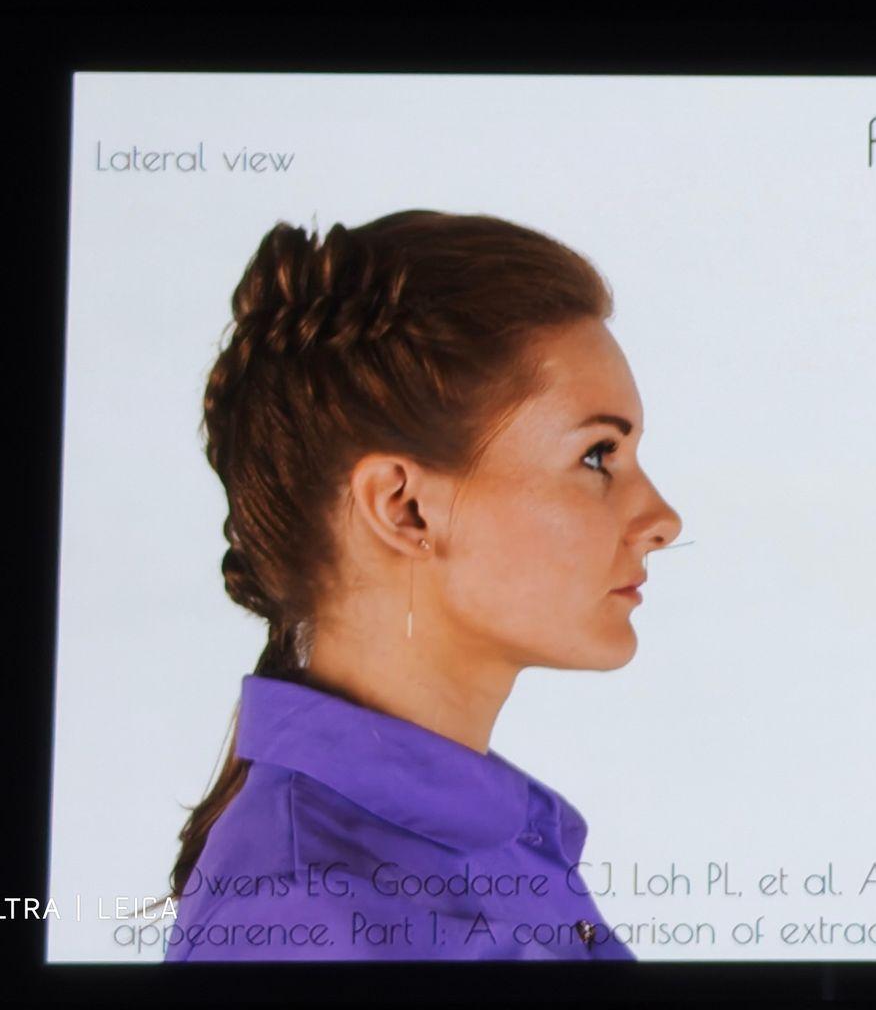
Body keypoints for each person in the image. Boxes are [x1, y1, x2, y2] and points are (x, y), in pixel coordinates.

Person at [161, 210, 682, 961]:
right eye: (598, 455)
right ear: (403, 508)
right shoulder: (307, 914)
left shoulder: (487, 847)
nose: (662, 520)